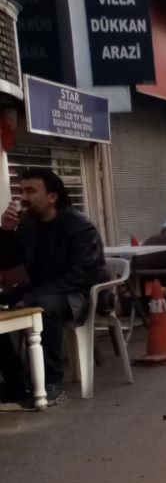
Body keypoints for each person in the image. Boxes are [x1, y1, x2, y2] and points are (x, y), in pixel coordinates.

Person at [0, 169, 106, 406]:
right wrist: (5, 231)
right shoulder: (28, 225)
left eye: (31, 191)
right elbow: (7, 262)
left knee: (43, 307)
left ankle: (52, 383)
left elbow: (83, 274)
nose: (23, 198)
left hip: (76, 295)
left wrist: (32, 296)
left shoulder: (80, 227)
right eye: (21, 191)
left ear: (52, 196)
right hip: (39, 290)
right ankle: (15, 381)